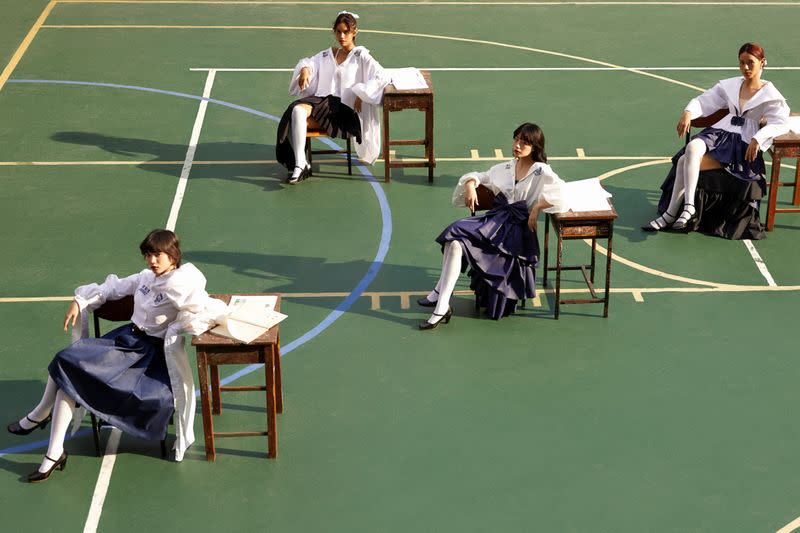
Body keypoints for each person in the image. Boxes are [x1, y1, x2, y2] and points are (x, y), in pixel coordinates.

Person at [7, 230, 225, 482]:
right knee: (68, 364)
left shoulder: (181, 285)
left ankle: (42, 421)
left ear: (173, 256)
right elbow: (113, 288)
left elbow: (204, 307)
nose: (152, 261)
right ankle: (51, 445)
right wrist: (79, 301)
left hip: (149, 358)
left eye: (158, 255)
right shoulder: (145, 278)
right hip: (125, 342)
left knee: (69, 369)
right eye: (148, 255)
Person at [417, 123, 566, 329]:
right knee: (454, 243)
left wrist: (537, 207)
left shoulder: (540, 171)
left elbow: (562, 193)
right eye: (516, 140)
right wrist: (470, 184)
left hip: (515, 235)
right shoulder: (505, 168)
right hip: (495, 224)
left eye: (524, 142)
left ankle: (438, 298)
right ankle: (441, 305)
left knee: (456, 235)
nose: (517, 145)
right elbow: (480, 176)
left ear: (535, 147)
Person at [643, 42, 791, 239]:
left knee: (682, 161)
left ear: (762, 63)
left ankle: (670, 215)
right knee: (693, 146)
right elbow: (705, 101)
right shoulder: (731, 85)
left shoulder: (770, 94)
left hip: (742, 144)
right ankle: (688, 207)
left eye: (750, 63)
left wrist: (758, 138)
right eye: (741, 63)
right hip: (722, 132)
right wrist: (688, 112)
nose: (745, 68)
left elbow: (781, 122)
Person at [275, 11, 389, 184]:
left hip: (343, 114)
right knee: (297, 111)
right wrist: (305, 70)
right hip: (322, 105)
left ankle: (300, 163)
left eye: (346, 32)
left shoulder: (361, 56)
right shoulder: (328, 55)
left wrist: (362, 92)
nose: (341, 36)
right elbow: (308, 62)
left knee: (296, 116)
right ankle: (301, 164)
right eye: (338, 32)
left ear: (354, 32)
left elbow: (382, 75)